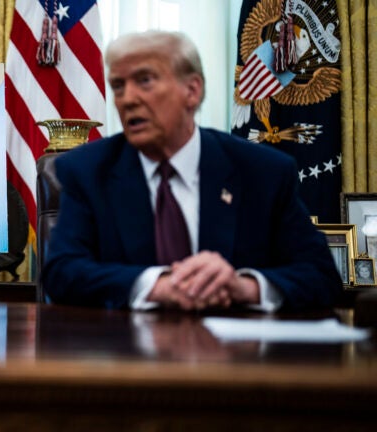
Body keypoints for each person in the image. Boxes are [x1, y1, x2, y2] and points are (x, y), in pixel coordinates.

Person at [41, 30, 341, 311]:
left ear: (192, 91)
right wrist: (157, 285)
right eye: (118, 86)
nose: (128, 99)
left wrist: (242, 287)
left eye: (144, 80)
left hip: (236, 356)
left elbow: (321, 278)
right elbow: (61, 273)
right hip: (129, 357)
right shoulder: (87, 170)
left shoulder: (263, 172)